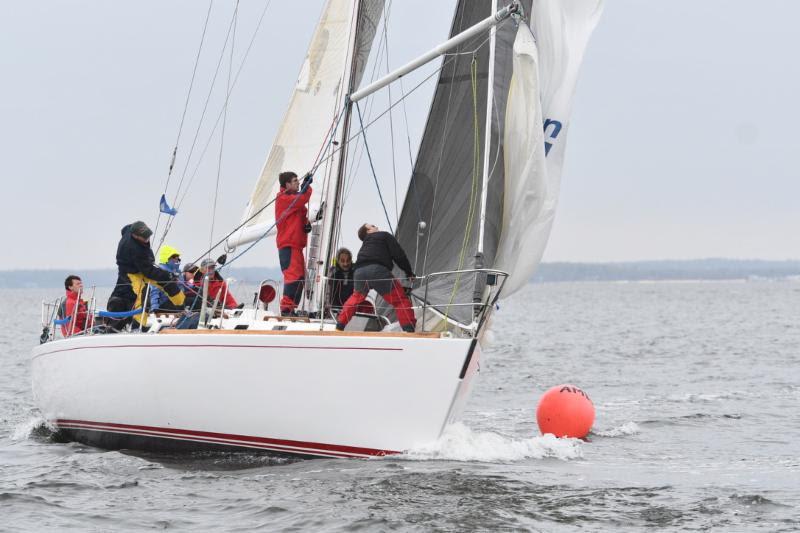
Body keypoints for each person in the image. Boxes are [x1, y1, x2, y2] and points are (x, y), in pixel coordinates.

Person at [335, 223, 416, 333]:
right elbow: (399, 255)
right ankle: (409, 330)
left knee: (356, 298)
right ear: (368, 231)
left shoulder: (365, 245)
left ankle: (339, 326)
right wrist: (409, 272)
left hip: (359, 272)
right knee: (400, 300)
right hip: (378, 271)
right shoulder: (384, 236)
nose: (376, 226)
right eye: (372, 226)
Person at [107, 221, 185, 328]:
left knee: (167, 282)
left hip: (141, 266)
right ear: (135, 236)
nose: (147, 239)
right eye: (144, 237)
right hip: (131, 272)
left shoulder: (130, 230)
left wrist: (167, 277)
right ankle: (138, 326)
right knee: (142, 294)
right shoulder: (134, 249)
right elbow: (148, 272)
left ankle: (182, 307)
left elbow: (125, 228)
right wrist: (167, 274)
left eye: (148, 236)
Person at [275, 170, 313, 316]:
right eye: (295, 180)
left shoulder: (292, 199)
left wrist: (306, 224)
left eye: (298, 180)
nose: (298, 182)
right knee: (294, 276)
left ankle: (291, 308)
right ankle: (286, 309)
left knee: (300, 278)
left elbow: (300, 211)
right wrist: (307, 186)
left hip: (295, 246)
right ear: (287, 184)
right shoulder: (283, 198)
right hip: (288, 245)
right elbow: (302, 198)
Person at [150, 244, 186, 312]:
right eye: (174, 257)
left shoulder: (178, 272)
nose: (176, 259)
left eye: (177, 258)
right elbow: (154, 291)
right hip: (165, 303)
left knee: (196, 301)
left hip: (178, 300)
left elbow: (183, 286)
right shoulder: (160, 271)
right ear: (167, 258)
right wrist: (154, 306)